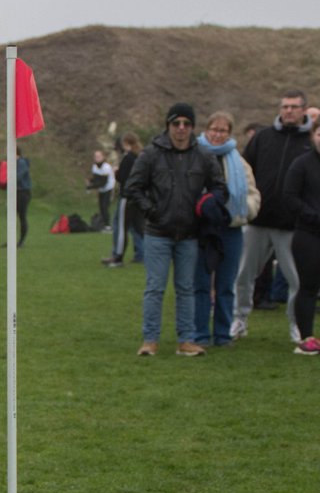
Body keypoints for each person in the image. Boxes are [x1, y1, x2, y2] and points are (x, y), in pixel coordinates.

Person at [124, 102, 226, 357]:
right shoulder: (151, 154)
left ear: (192, 127)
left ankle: (186, 340)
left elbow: (220, 187)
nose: (181, 128)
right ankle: (150, 340)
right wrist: (151, 210)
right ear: (168, 125)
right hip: (157, 232)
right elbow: (133, 187)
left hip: (189, 233)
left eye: (186, 123)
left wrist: (209, 202)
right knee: (155, 288)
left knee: (186, 288)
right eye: (176, 123)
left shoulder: (203, 155)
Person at [232, 91, 313, 342]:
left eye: (294, 107)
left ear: (304, 110)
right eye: (285, 106)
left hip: (292, 224)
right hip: (258, 220)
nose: (288, 111)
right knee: (244, 275)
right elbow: (244, 171)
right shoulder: (263, 137)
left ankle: (297, 325)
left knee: (296, 280)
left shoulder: (310, 141)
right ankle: (239, 319)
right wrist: (248, 205)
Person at [193, 111, 261, 347]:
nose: (217, 134)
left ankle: (222, 334)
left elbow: (252, 195)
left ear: (229, 134)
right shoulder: (194, 157)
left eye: (223, 131)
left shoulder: (239, 163)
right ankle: (200, 333)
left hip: (230, 228)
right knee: (201, 283)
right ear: (206, 130)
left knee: (226, 284)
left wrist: (242, 212)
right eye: (214, 129)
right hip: (201, 228)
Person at [283, 117, 320, 354]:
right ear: (313, 135)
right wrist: (313, 216)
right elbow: (289, 197)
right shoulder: (302, 164)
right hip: (309, 234)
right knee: (308, 286)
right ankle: (307, 338)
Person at [102, 133, 144, 266]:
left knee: (120, 226)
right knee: (138, 227)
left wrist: (116, 172)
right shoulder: (140, 156)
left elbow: (122, 177)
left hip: (127, 196)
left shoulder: (128, 158)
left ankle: (117, 256)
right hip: (137, 196)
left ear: (126, 143)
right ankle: (142, 254)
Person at [0, 149, 32, 248]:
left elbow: (18, 176)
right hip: (13, 192)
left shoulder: (22, 163)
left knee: (22, 217)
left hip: (22, 193)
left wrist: (5, 181)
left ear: (16, 153)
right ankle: (11, 241)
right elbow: (0, 173)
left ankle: (21, 242)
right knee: (11, 217)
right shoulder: (10, 163)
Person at [87, 149, 116, 228]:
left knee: (104, 206)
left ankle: (107, 225)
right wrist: (90, 181)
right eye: (96, 156)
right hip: (101, 189)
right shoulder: (94, 167)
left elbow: (103, 182)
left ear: (103, 157)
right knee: (101, 207)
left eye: (99, 156)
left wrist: (91, 187)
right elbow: (96, 179)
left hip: (108, 188)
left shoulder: (106, 167)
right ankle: (103, 223)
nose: (97, 158)